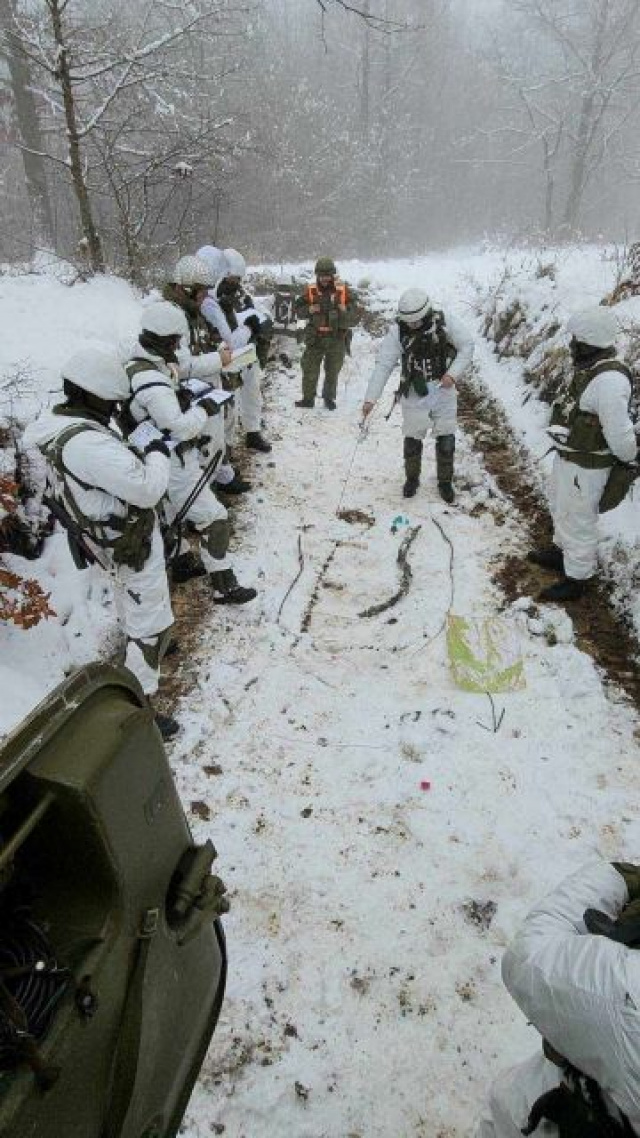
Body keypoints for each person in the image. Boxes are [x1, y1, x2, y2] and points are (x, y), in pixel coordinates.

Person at [23, 347, 179, 740]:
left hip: (103, 535)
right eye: (108, 402)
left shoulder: (55, 424)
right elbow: (146, 489)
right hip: (127, 540)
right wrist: (157, 452)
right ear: (90, 395)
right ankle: (137, 711)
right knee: (151, 622)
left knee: (134, 604)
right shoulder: (88, 444)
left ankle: (139, 657)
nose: (113, 410)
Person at [475, 858, 640, 1137]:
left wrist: (616, 877)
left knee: (508, 1111)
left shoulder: (626, 991)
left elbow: (530, 956)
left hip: (565, 1113)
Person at [124, 299, 257, 604]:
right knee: (215, 517)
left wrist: (219, 359)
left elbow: (187, 366)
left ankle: (182, 563)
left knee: (170, 514)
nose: (178, 346)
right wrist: (204, 409)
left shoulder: (144, 361)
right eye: (175, 340)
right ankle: (224, 586)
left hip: (155, 459)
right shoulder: (152, 381)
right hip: (173, 460)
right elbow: (180, 427)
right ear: (167, 338)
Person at [529, 307, 637, 602]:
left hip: (588, 467)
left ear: (590, 341)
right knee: (560, 506)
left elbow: (620, 434)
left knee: (579, 519)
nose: (571, 345)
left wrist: (629, 458)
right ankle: (561, 551)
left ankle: (578, 577)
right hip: (570, 459)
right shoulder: (591, 369)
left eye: (576, 339)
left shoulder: (610, 381)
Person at [361, 288, 473, 503]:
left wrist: (453, 374)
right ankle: (412, 478)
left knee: (446, 437)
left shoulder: (445, 321)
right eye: (409, 322)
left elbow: (467, 345)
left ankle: (445, 482)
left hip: (443, 388)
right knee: (412, 437)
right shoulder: (398, 332)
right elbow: (384, 364)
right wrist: (370, 399)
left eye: (416, 322)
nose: (412, 326)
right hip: (414, 390)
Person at [169, 252, 252, 494]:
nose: (205, 296)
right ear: (185, 289)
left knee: (220, 431)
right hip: (188, 392)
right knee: (201, 444)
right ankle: (204, 491)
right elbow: (181, 365)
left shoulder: (192, 313)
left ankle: (220, 476)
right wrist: (218, 358)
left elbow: (201, 342)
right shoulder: (172, 318)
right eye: (201, 291)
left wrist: (217, 347)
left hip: (208, 385)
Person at [199, 246, 273, 453]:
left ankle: (253, 431)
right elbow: (228, 337)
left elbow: (254, 312)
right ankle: (227, 448)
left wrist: (257, 323)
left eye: (238, 280)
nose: (235, 284)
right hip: (224, 356)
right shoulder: (210, 301)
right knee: (231, 402)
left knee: (252, 392)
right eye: (232, 280)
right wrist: (249, 327)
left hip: (247, 352)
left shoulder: (239, 295)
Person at [294, 256, 359, 410]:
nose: (324, 279)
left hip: (336, 337)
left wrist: (345, 310)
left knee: (332, 371)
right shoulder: (310, 290)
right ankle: (308, 399)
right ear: (317, 275)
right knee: (310, 369)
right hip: (315, 337)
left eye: (327, 275)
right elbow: (297, 310)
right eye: (321, 275)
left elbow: (355, 312)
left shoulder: (342, 290)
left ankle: (329, 398)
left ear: (332, 275)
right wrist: (309, 309)